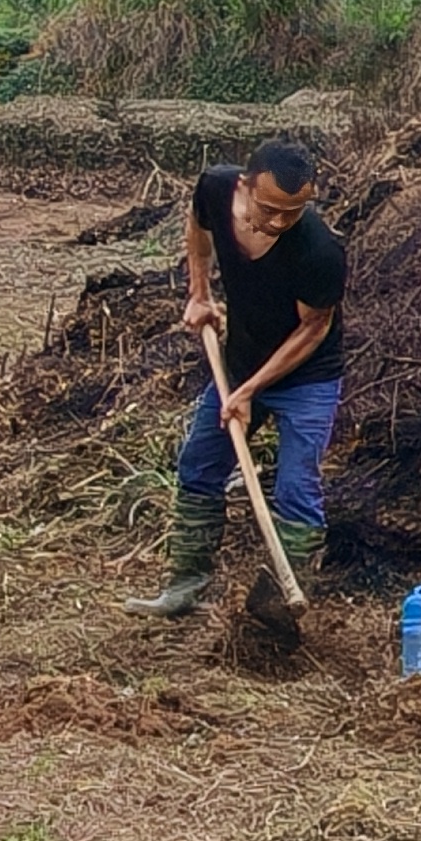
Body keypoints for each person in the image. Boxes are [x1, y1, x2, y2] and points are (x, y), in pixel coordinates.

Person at [143, 139, 346, 618]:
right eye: (269, 209)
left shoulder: (319, 251)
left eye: (292, 212)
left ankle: (276, 609)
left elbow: (313, 330)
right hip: (240, 363)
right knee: (198, 464)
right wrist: (199, 293)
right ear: (244, 186)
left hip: (307, 380)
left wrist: (250, 391)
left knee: (296, 490)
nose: (278, 222)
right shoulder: (215, 188)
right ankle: (185, 587)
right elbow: (198, 225)